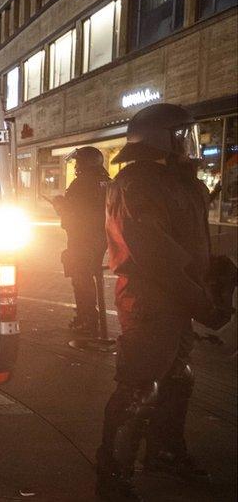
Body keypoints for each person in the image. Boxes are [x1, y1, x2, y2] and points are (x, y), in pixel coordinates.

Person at [96, 103, 233, 501]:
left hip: (176, 297)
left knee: (177, 377)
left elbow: (188, 237)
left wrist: (213, 272)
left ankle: (165, 452)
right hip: (151, 299)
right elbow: (153, 252)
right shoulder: (137, 184)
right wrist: (201, 301)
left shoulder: (174, 180)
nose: (189, 143)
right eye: (182, 135)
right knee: (140, 387)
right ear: (163, 139)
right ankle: (113, 473)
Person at [50, 147, 110, 334]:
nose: (76, 165)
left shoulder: (81, 184)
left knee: (81, 278)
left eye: (79, 162)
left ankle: (87, 319)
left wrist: (60, 205)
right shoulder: (106, 182)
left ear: (87, 162)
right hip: (101, 239)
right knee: (88, 276)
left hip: (82, 239)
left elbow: (72, 214)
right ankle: (89, 317)